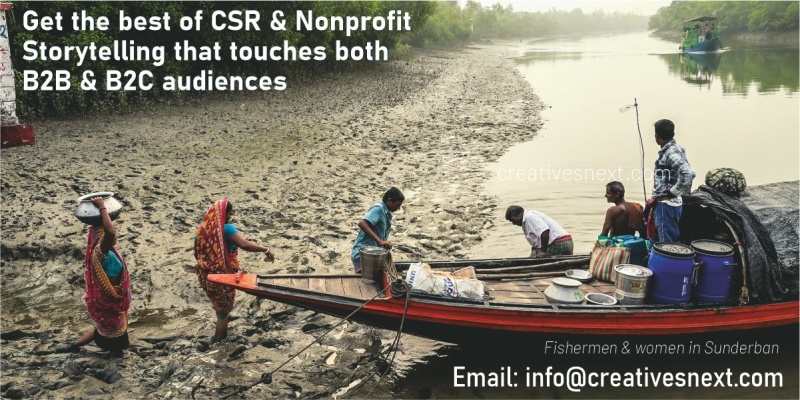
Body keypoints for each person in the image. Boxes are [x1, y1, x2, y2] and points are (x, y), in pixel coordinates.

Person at [194, 200, 275, 343]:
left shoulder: (201, 231)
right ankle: (219, 342)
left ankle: (219, 334)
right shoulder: (227, 229)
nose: (230, 217)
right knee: (222, 312)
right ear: (223, 214)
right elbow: (245, 244)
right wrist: (265, 249)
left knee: (219, 305)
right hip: (222, 276)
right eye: (230, 214)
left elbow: (197, 254)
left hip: (206, 275)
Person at [70, 197, 131, 358]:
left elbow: (110, 232)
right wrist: (103, 207)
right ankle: (113, 355)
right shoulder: (100, 253)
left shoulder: (106, 252)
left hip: (108, 303)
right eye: (108, 235)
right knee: (114, 336)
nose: (114, 234)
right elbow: (110, 232)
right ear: (102, 237)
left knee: (102, 327)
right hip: (110, 303)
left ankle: (74, 345)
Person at [647, 119, 696, 243]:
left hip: (666, 205)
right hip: (670, 203)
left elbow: (689, 173)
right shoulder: (678, 149)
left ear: (656, 137)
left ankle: (669, 262)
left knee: (666, 243)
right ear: (673, 135)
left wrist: (674, 191)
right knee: (660, 239)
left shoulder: (670, 153)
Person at [350, 187, 404, 273]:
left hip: (371, 255)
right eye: (397, 205)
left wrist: (383, 244)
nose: (398, 208)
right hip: (363, 255)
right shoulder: (378, 209)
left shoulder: (386, 214)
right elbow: (362, 223)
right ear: (389, 201)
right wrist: (380, 241)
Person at [505, 205, 573, 258]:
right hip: (567, 242)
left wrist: (543, 251)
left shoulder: (529, 217)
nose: (513, 223)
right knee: (535, 252)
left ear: (516, 215)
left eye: (512, 220)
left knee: (531, 260)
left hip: (559, 244)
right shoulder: (530, 215)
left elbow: (545, 231)